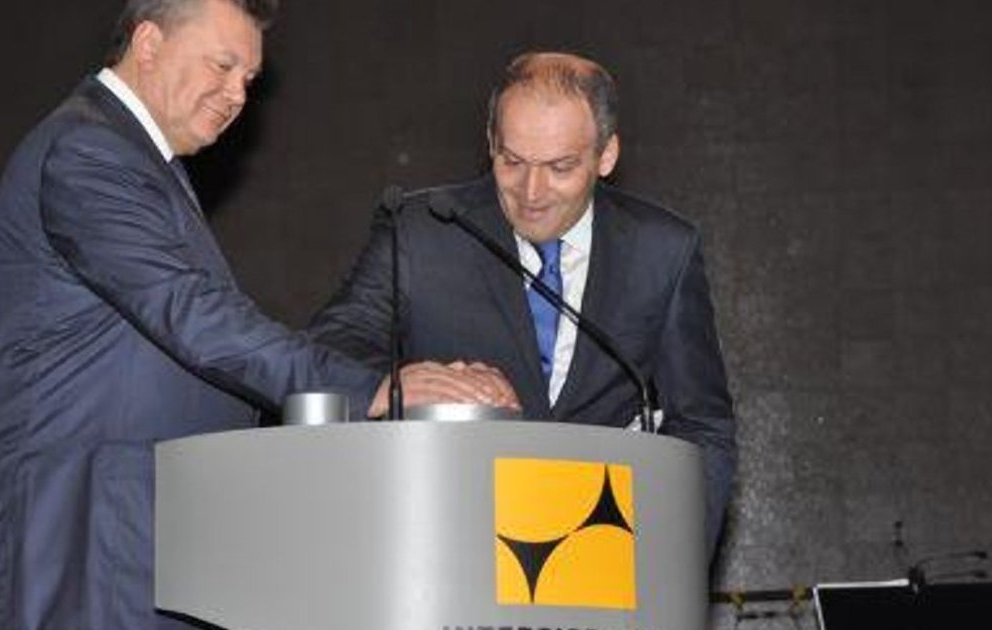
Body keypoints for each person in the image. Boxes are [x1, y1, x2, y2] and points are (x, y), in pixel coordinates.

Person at [0, 1, 516, 628]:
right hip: (82, 538)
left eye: (248, 79)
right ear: (148, 43)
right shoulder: (89, 151)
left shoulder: (137, 159)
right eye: (222, 66)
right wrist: (373, 388)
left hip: (137, 534)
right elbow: (194, 317)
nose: (236, 95)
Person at [310, 51, 736, 553]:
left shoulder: (662, 251)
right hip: (449, 542)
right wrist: (404, 382)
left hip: (602, 550)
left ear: (606, 156)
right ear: (491, 142)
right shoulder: (422, 231)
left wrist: (678, 564)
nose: (532, 192)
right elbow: (330, 348)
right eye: (511, 162)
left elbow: (702, 424)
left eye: (560, 167)